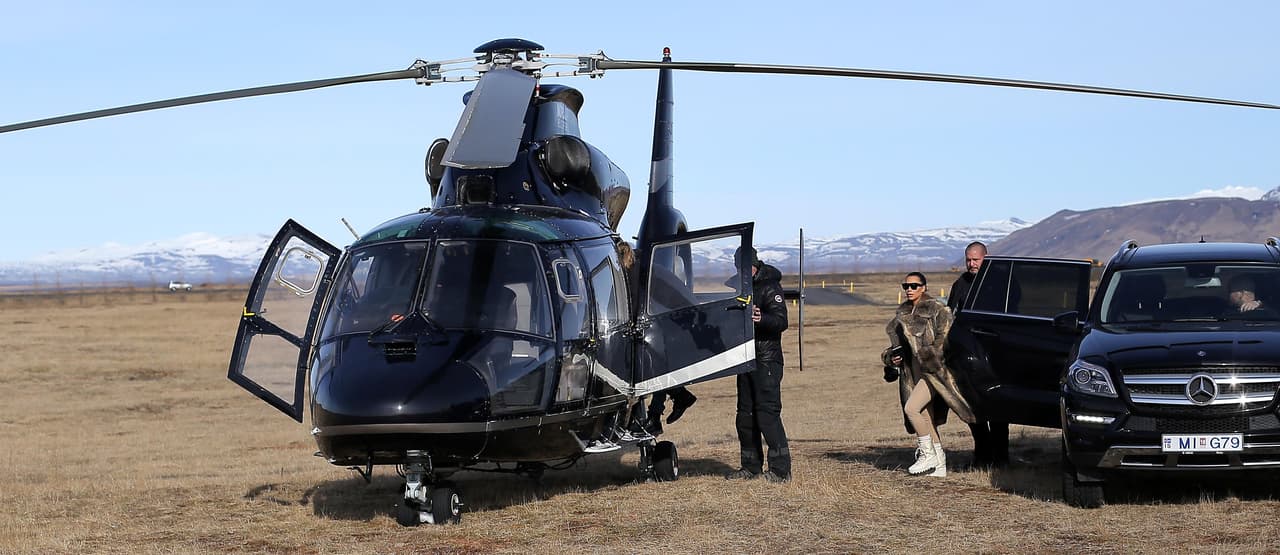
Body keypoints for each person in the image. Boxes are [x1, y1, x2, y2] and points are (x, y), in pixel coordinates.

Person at [885, 271, 976, 478]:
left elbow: (946, 340)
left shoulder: (938, 310)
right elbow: (895, 347)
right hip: (913, 373)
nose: (909, 290)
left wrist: (929, 356)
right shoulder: (902, 316)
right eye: (906, 286)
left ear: (924, 287)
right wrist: (892, 357)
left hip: (935, 372)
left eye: (914, 286)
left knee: (912, 409)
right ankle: (940, 464)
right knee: (927, 417)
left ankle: (927, 454)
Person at [614, 241, 699, 434]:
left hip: (657, 327)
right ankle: (674, 400)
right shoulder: (642, 267)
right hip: (660, 324)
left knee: (651, 371)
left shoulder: (632, 274)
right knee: (653, 370)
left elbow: (633, 304)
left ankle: (654, 415)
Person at [725, 247, 792, 483]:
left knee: (767, 414)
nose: (741, 271)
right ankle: (750, 466)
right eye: (738, 267)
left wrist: (760, 318)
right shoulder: (738, 289)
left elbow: (781, 321)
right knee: (745, 416)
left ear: (754, 265)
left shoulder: (770, 287)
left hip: (766, 360)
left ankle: (780, 470)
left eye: (744, 266)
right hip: (744, 360)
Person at [946, 241, 1010, 468]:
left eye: (976, 259)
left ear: (986, 257)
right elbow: (950, 316)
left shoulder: (1003, 282)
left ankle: (1001, 457)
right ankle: (982, 454)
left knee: (999, 408)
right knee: (972, 406)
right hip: (968, 355)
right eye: (968, 260)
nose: (971, 264)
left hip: (997, 354)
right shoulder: (960, 284)